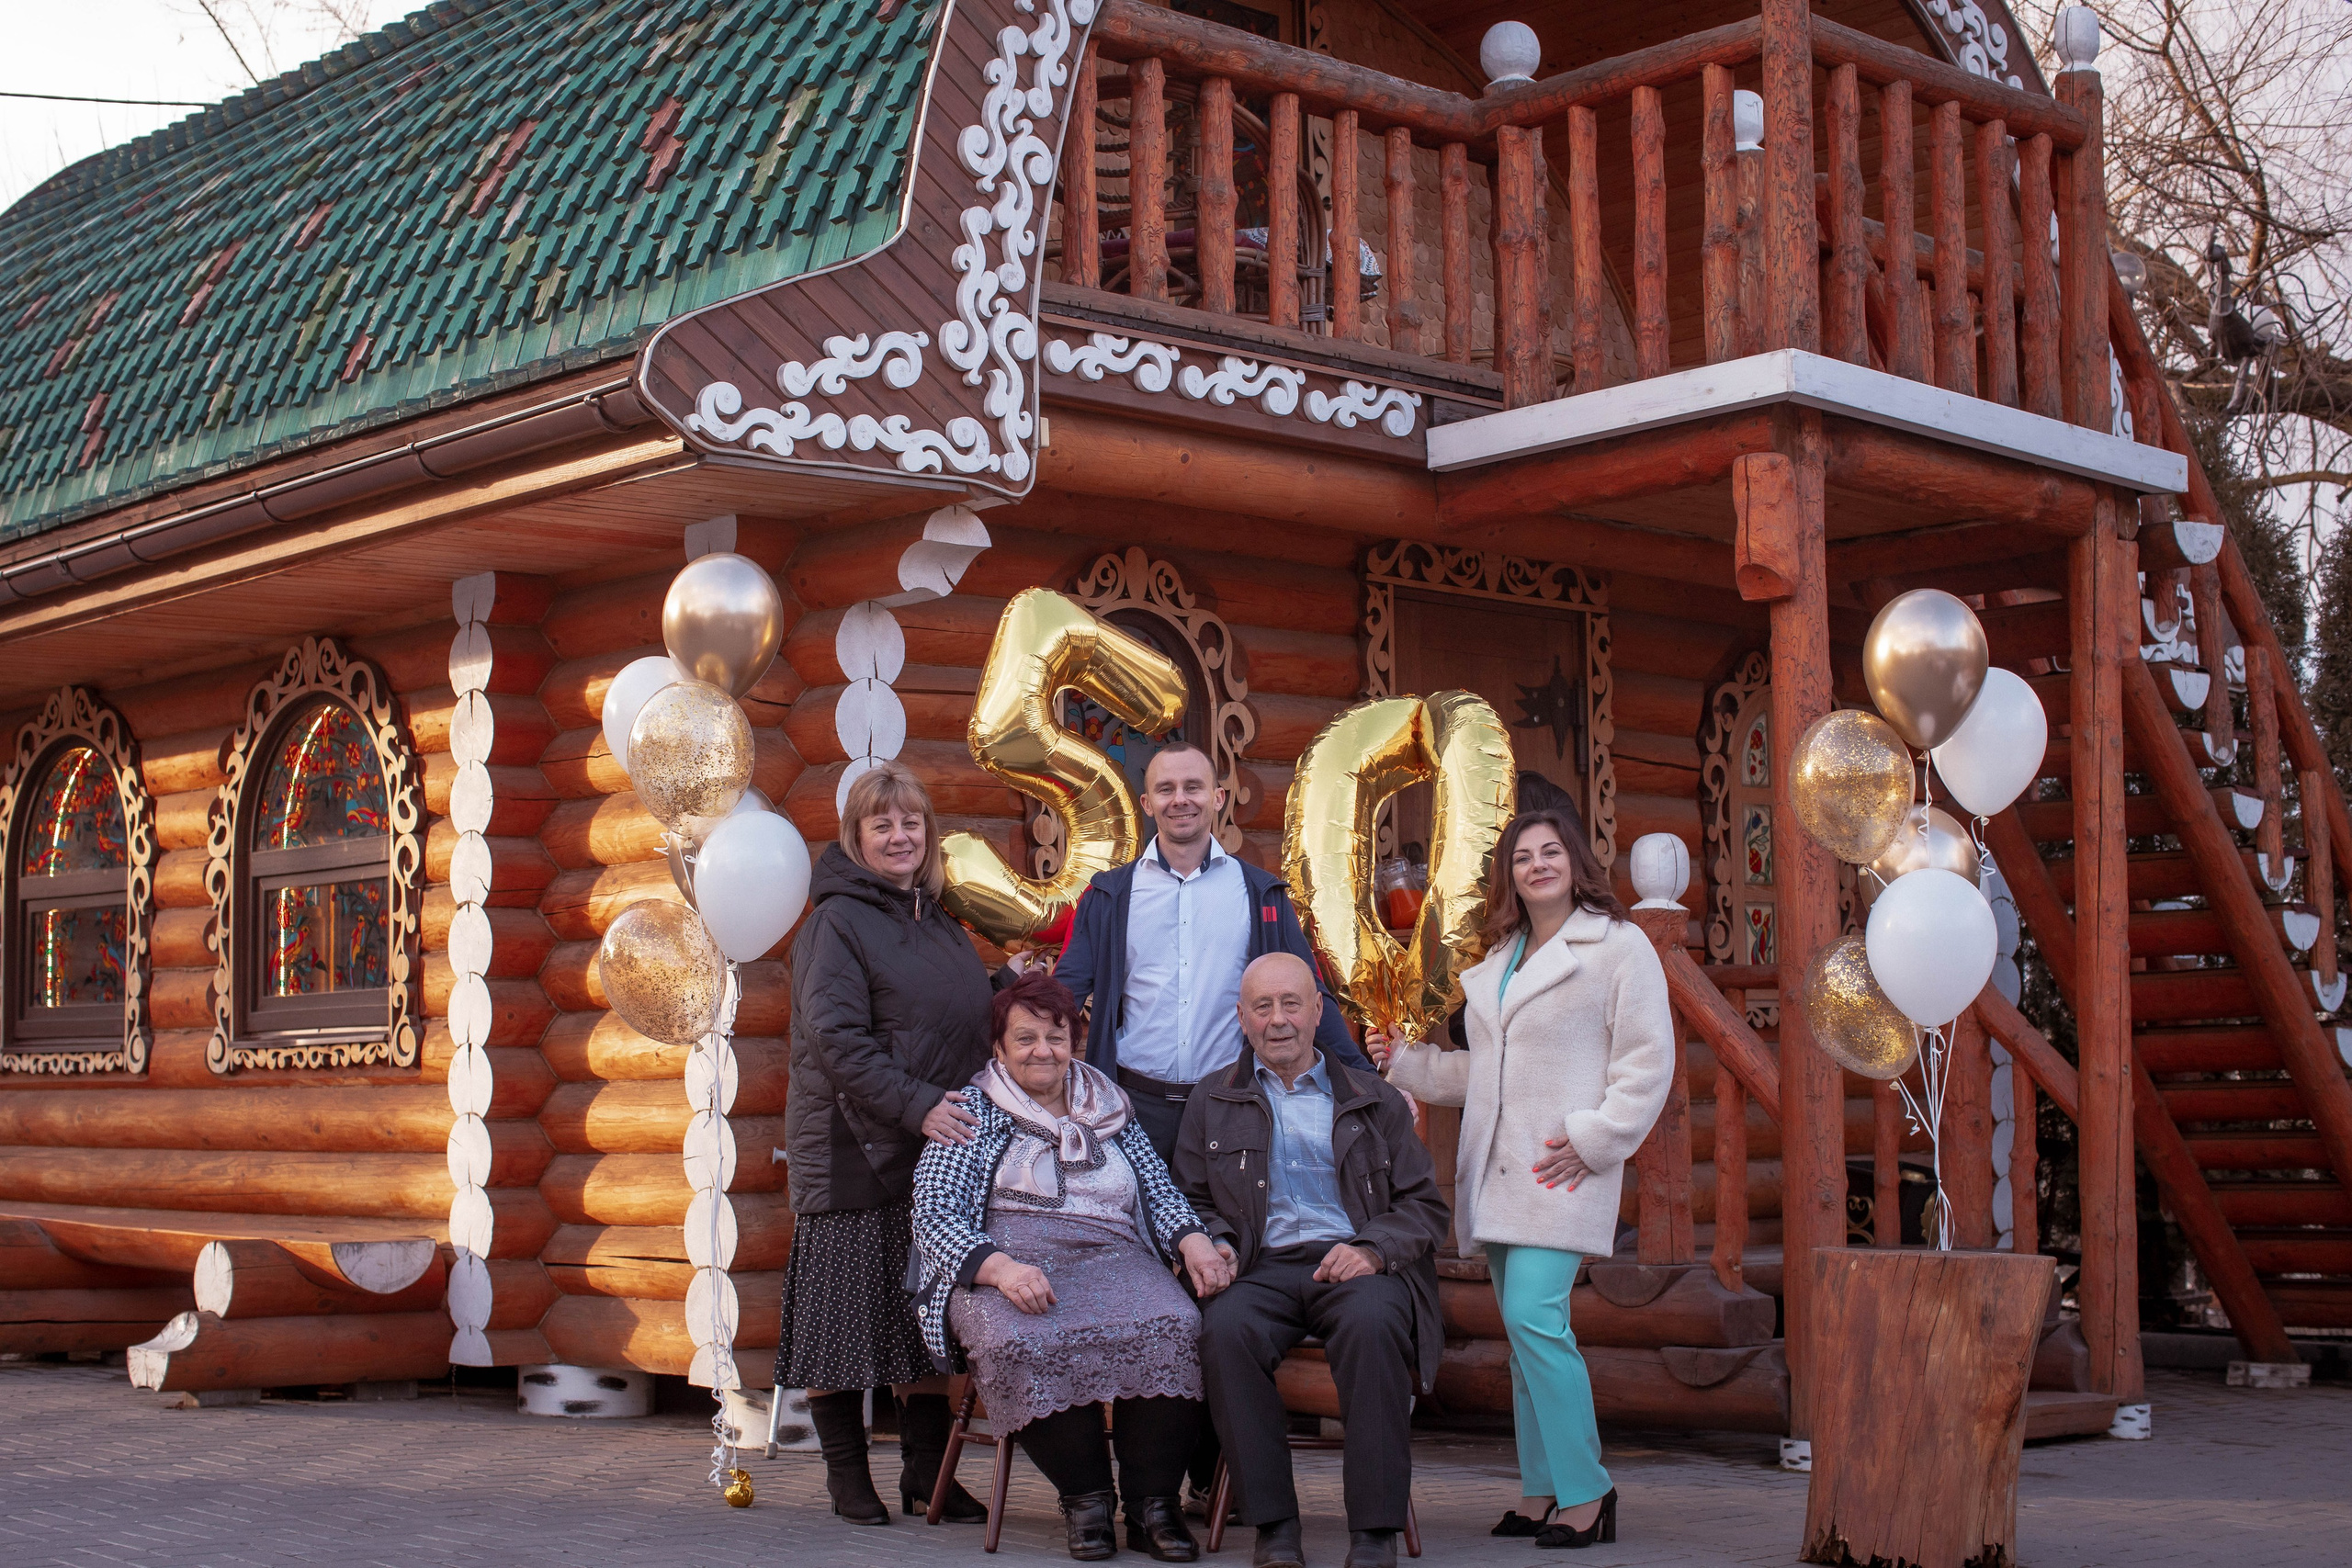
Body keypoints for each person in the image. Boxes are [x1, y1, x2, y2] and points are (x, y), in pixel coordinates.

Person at [1371, 808, 1674, 1550]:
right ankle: (1543, 1490)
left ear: (1575, 861)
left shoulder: (1619, 946)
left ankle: (1589, 1492)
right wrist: (1405, 1061)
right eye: (1523, 857)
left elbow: (1647, 1059)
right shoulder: (1503, 953)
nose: (1538, 865)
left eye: (1551, 852)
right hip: (1499, 1168)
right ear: (1509, 874)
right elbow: (1487, 1070)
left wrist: (1595, 1137)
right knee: (1524, 1334)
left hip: (1559, 1161)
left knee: (1540, 1321)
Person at [911, 971, 1238, 1561]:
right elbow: (933, 1213)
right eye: (1026, 1038)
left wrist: (1190, 1238)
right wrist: (998, 1268)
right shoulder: (972, 1110)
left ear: (1074, 1042)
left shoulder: (1108, 1105)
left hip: (1114, 1252)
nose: (1043, 1050)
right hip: (1008, 1261)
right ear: (1000, 1049)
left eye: (1056, 1037)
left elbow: (1157, 1189)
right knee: (1017, 1336)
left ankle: (1151, 1507)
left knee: (1176, 1325)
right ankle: (1086, 1501)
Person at [1175, 953, 1452, 1568]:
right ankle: (1273, 1525)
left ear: (1317, 1011)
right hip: (1260, 1264)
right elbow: (1189, 1196)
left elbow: (1424, 1206)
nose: (1279, 1020)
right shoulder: (1212, 1098)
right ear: (1243, 1017)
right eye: (1263, 1006)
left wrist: (1373, 1249)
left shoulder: (1373, 1096)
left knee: (1376, 1324)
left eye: (1291, 1003)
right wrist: (1214, 1239)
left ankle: (1373, 1533)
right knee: (1224, 1328)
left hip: (1354, 1262)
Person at [779, 761, 997, 1528]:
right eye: (883, 824)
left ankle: (924, 1474)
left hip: (929, 1151)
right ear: (858, 837)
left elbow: (945, 1012)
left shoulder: (933, 917)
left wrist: (1009, 988)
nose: (900, 836)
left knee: (924, 1318)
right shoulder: (835, 922)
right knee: (842, 1321)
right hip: (853, 1146)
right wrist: (921, 1107)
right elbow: (837, 1039)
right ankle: (846, 1477)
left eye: (911, 823)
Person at [1055, 741, 1368, 1160]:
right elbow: (1061, 999)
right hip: (1131, 1107)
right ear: (1147, 803)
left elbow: (1311, 997)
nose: (1180, 799)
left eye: (1193, 787)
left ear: (1218, 798)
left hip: (1233, 1102)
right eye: (1166, 789)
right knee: (1141, 1225)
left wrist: (1366, 1079)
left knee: (1230, 1226)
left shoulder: (1261, 895)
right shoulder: (1110, 896)